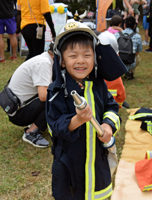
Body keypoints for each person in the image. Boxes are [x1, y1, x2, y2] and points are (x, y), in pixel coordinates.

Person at [46, 20, 124, 199]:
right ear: (62, 61)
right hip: (69, 164)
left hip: (97, 160)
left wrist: (108, 126)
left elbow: (112, 107)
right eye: (73, 56)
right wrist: (77, 120)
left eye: (87, 55)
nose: (81, 61)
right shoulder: (56, 91)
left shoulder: (99, 86)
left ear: (95, 58)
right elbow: (54, 126)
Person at [6, 42, 54, 148]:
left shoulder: (44, 59)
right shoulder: (44, 63)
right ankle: (31, 132)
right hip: (18, 114)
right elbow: (43, 96)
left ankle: (35, 124)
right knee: (55, 98)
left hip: (16, 107)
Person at [114, 15, 142, 80]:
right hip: (130, 62)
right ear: (134, 26)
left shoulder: (116, 35)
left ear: (124, 25)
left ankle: (118, 72)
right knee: (138, 58)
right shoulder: (137, 37)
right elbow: (137, 52)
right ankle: (129, 72)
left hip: (117, 62)